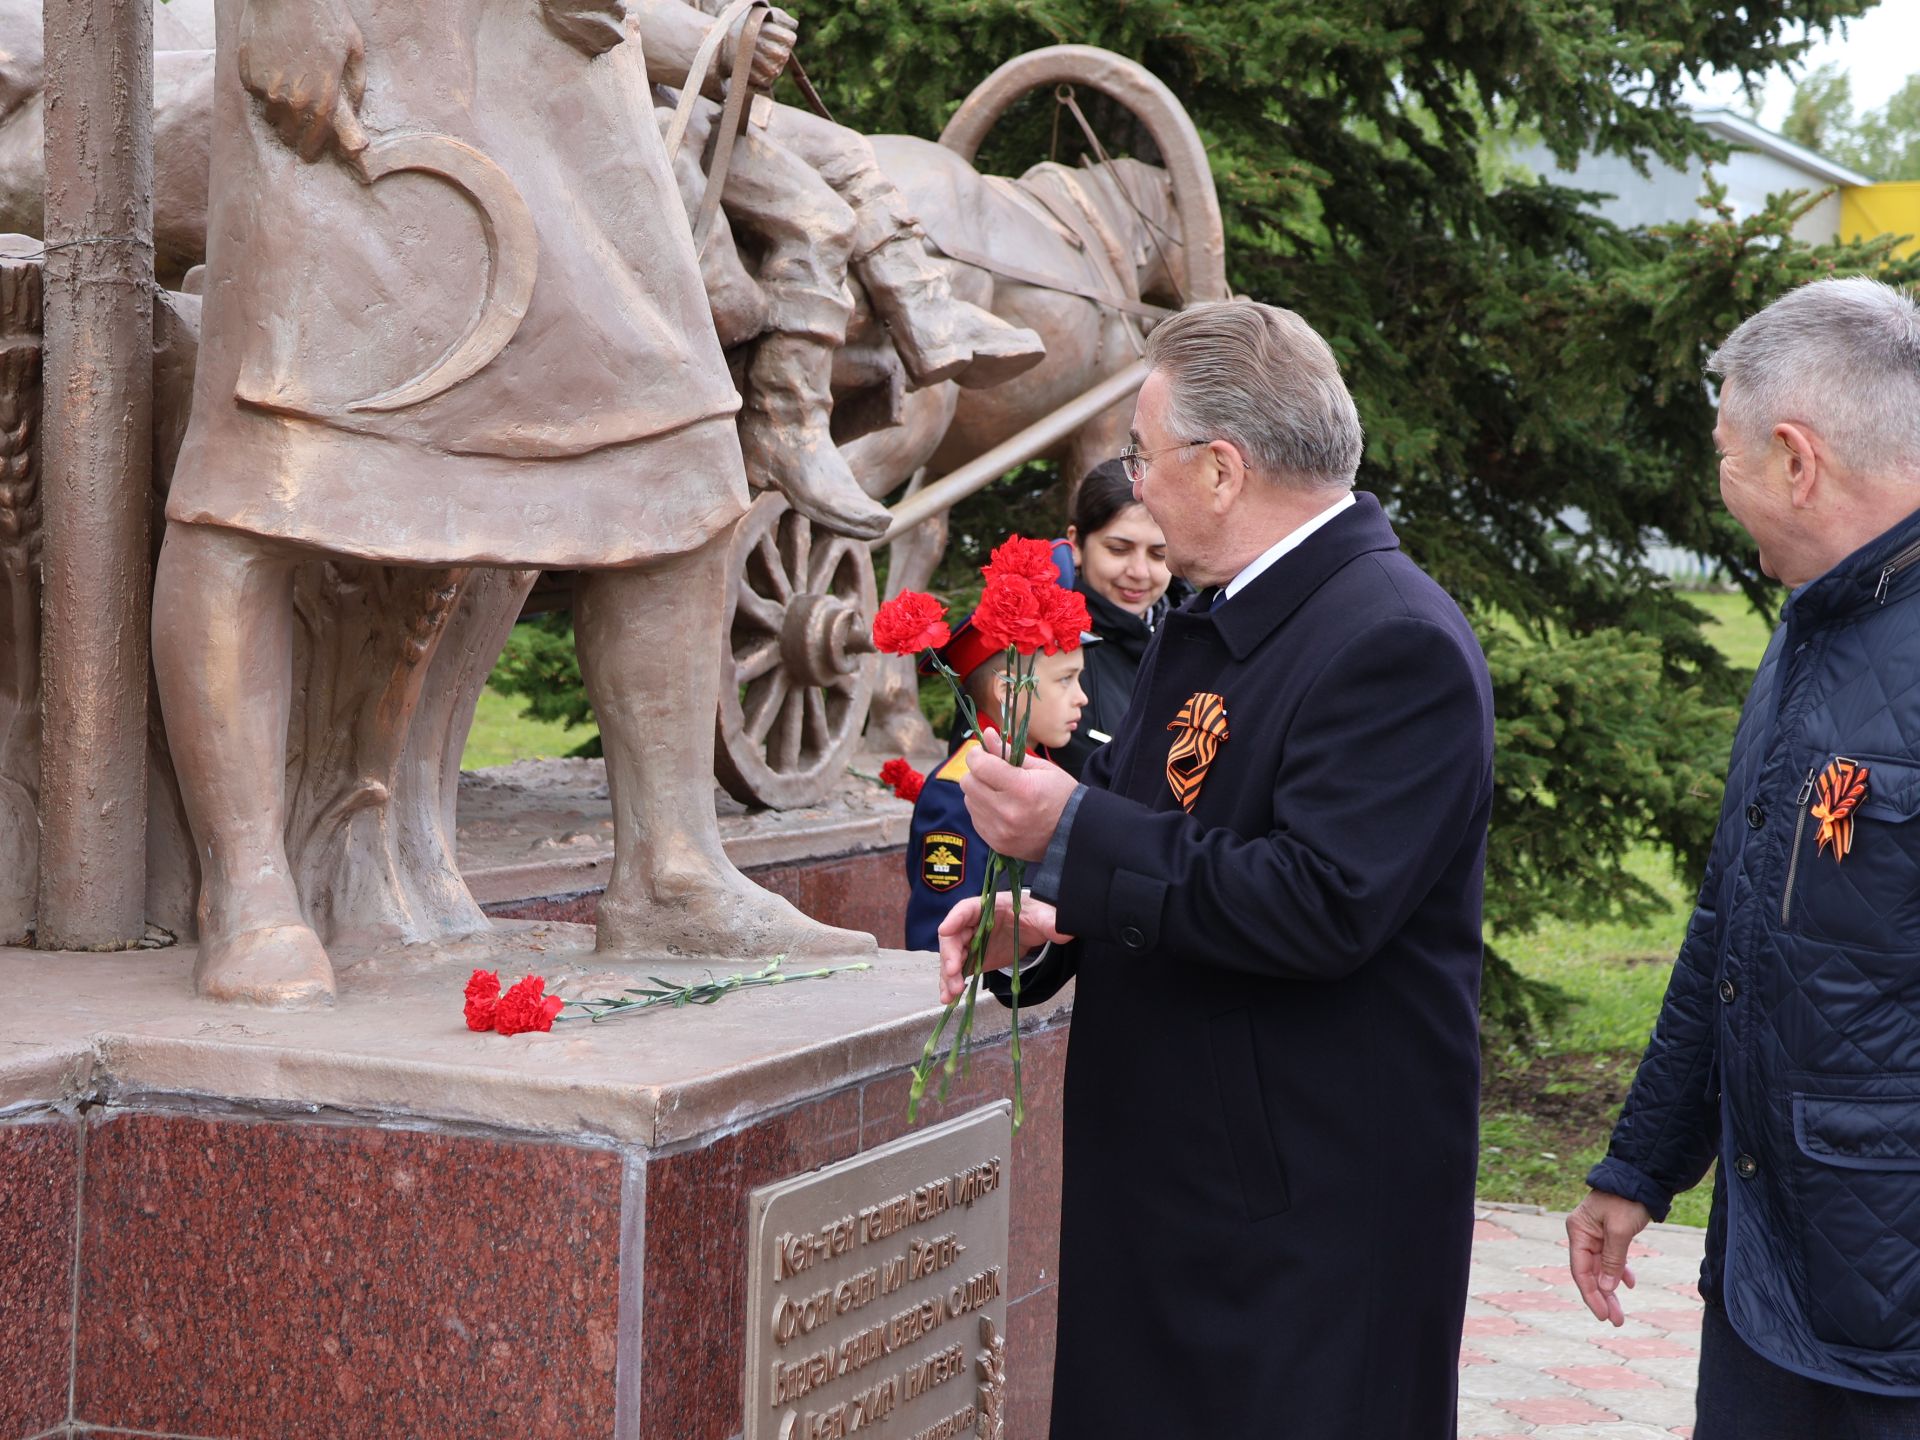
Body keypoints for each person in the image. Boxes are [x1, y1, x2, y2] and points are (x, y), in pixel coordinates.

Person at [939, 299, 1495, 1436]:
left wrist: (1072, 833)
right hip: (1191, 1199)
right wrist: (1056, 921)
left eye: (1145, 458)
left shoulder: (1392, 640)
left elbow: (1318, 903)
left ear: (1223, 469)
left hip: (1299, 1227)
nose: (1135, 485)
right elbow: (1189, 846)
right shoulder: (1230, 620)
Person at [1567, 276, 1920, 1436]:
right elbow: (1736, 927)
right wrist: (1638, 1168)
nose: (1717, 486)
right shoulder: (1814, 629)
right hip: (1774, 1287)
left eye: (1723, 453)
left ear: (1793, 458)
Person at [904, 617, 1087, 952]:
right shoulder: (958, 789)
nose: (1082, 698)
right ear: (1009, 691)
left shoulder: (1043, 768)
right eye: (1065, 680)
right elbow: (939, 933)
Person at [1051, 458, 1182, 777]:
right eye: (1119, 550)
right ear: (1076, 543)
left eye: (1158, 554)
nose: (1138, 572)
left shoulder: (1199, 633)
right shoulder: (1042, 648)